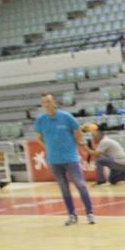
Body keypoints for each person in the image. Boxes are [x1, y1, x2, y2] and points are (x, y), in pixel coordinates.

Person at [32, 93, 94, 227]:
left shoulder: (66, 117)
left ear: (53, 102)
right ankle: (72, 215)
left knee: (80, 184)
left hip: (70, 157)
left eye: (48, 101)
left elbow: (77, 131)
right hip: (54, 160)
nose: (46, 104)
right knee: (64, 188)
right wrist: (48, 147)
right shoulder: (41, 120)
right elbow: (38, 137)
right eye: (44, 102)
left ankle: (90, 213)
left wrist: (77, 142)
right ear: (42, 105)